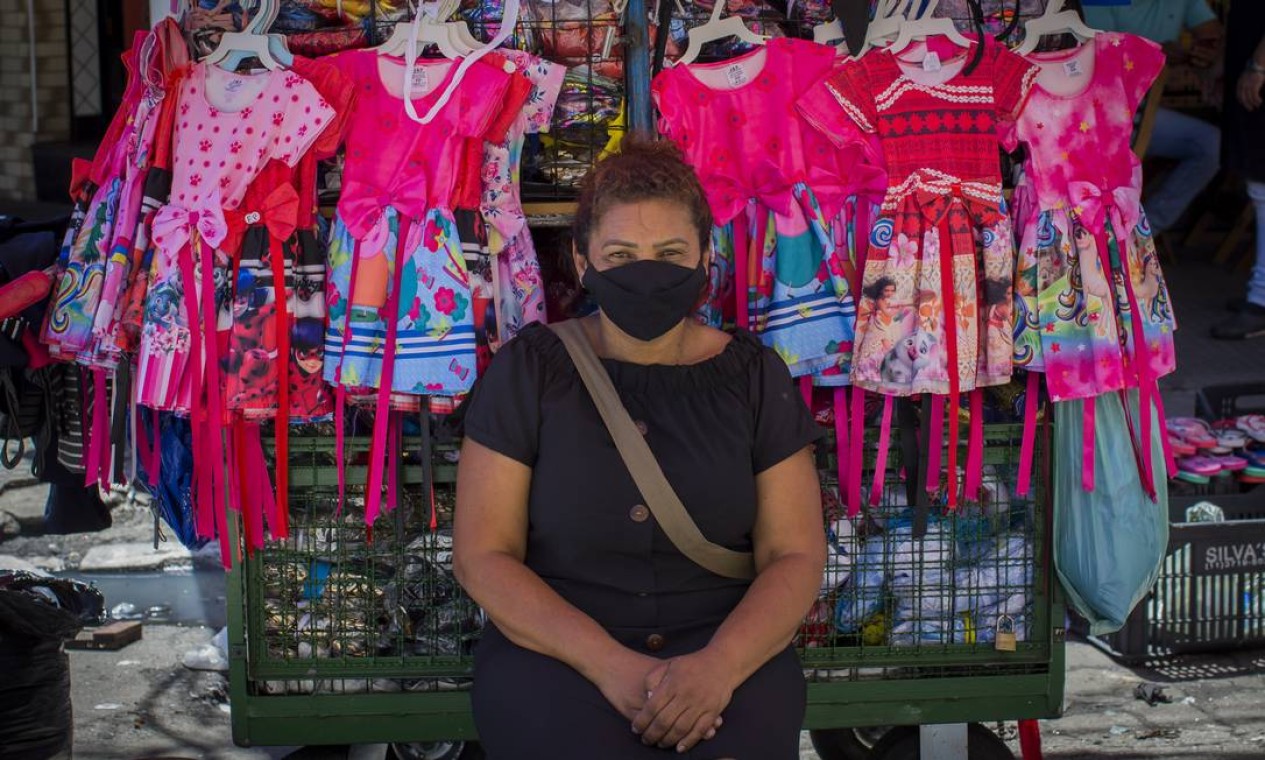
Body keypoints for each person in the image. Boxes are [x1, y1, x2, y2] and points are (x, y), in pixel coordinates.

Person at [453, 138, 827, 759]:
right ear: (582, 261)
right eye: (621, 255)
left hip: (727, 657)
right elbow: (483, 555)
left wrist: (718, 669)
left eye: (670, 253)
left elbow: (794, 553)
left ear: (706, 256)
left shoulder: (755, 376)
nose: (645, 270)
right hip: (559, 657)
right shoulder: (530, 371)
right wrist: (609, 667)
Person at [1084, 0, 1223, 235]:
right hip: (1098, 114)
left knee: (1211, 145)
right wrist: (1156, 52)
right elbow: (1099, 53)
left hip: (1145, 113)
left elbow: (1212, 34)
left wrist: (1205, 57)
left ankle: (1145, 229)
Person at [1211, 3, 1265, 339]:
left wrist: (1258, 65)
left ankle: (1261, 298)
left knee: (1262, 183)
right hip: (1249, 55)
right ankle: (1260, 290)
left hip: (1259, 66)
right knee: (1258, 184)